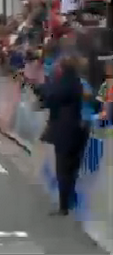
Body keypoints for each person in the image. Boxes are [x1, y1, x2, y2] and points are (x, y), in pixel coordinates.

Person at [33, 55, 88, 216]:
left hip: (65, 131)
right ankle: (69, 201)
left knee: (63, 168)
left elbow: (51, 97)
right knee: (72, 167)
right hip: (77, 129)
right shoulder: (77, 82)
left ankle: (64, 205)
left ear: (62, 68)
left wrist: (40, 90)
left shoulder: (64, 83)